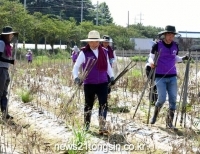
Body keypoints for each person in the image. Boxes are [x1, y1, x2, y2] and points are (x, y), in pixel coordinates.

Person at [72, 30, 115, 134]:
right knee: (88, 105)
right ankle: (86, 126)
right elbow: (76, 67)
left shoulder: (104, 51)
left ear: (98, 42)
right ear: (88, 42)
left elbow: (108, 66)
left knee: (103, 104)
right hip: (89, 83)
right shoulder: (84, 52)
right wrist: (76, 77)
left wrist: (112, 76)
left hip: (103, 83)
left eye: (95, 41)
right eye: (91, 42)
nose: (93, 44)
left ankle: (102, 126)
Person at [149, 25, 189, 129]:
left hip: (172, 76)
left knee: (173, 100)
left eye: (172, 35)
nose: (171, 37)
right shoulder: (157, 45)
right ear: (165, 35)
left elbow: (175, 58)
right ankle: (154, 116)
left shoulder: (175, 46)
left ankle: (169, 123)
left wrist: (183, 58)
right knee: (161, 98)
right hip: (160, 76)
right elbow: (150, 57)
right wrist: (152, 63)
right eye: (169, 34)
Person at [0, 26, 17, 120]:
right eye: (10, 34)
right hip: (1, 69)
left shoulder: (6, 44)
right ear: (6, 35)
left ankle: (5, 113)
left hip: (5, 70)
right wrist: (10, 62)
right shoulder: (1, 43)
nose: (11, 36)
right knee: (0, 92)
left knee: (4, 93)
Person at [145, 40, 158, 106]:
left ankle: (154, 99)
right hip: (150, 68)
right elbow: (150, 61)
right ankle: (153, 100)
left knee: (155, 84)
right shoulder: (153, 51)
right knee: (154, 84)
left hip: (154, 68)